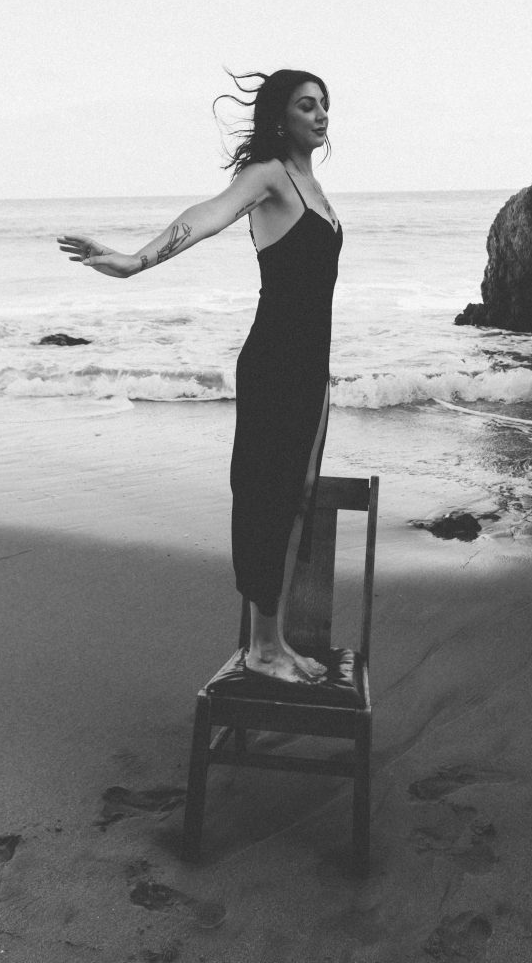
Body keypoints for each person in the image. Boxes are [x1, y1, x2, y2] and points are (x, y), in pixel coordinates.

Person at [57, 70, 342, 686]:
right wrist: (135, 261)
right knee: (268, 496)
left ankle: (274, 640)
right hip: (275, 360)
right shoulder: (270, 175)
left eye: (324, 104)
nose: (321, 114)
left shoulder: (314, 186)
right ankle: (263, 648)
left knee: (298, 497)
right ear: (281, 117)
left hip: (312, 362)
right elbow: (209, 215)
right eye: (307, 105)